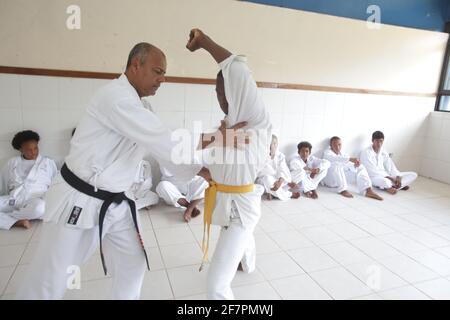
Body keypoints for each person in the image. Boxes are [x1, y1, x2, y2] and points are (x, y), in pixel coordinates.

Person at [16, 40, 248, 300]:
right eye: (158, 71)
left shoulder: (140, 105)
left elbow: (162, 145)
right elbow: (165, 140)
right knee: (51, 277)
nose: (162, 79)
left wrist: (198, 169)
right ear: (136, 65)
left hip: (116, 202)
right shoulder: (115, 98)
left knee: (132, 263)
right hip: (79, 200)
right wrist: (217, 137)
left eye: (164, 74)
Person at [186, 28, 272, 300]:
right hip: (224, 204)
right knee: (240, 244)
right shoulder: (223, 128)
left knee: (216, 286)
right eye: (216, 92)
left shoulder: (255, 117)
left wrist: (205, 42)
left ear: (236, 91)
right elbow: (190, 149)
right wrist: (218, 138)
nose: (221, 98)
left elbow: (237, 69)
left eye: (224, 90)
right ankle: (248, 260)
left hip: (241, 213)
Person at [0, 130, 57, 230]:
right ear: (21, 150)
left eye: (35, 148)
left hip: (36, 200)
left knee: (41, 208)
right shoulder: (11, 163)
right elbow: (3, 184)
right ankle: (18, 221)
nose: (33, 152)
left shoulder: (48, 162)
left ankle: (9, 219)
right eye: (28, 150)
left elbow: (55, 184)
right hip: (14, 199)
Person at [256, 134, 299, 200]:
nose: (271, 146)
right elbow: (261, 173)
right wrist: (276, 180)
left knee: (299, 173)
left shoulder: (280, 155)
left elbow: (283, 169)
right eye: (269, 144)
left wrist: (279, 181)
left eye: (274, 143)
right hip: (265, 182)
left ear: (277, 144)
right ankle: (288, 194)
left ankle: (273, 193)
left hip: (278, 181)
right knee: (267, 178)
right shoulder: (261, 156)